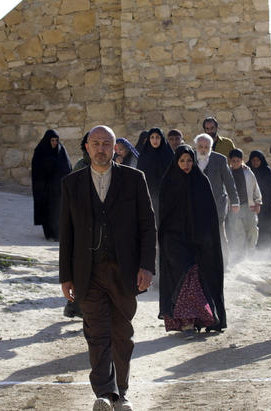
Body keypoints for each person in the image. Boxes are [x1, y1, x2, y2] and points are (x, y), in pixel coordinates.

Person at [59, 125, 156, 411]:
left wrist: (147, 266)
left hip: (124, 271)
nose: (101, 148)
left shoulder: (134, 179)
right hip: (87, 271)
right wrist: (65, 276)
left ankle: (122, 392)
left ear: (115, 148)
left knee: (121, 333)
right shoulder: (72, 183)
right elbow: (67, 233)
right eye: (96, 143)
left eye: (106, 143)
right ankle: (105, 393)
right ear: (87, 147)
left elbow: (147, 226)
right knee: (97, 332)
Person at [158, 145, 227, 334]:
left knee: (199, 277)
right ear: (176, 162)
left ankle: (201, 318)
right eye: (182, 161)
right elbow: (164, 216)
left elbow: (210, 216)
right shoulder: (169, 182)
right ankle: (186, 321)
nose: (186, 165)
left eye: (189, 160)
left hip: (200, 241)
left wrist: (206, 238)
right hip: (175, 241)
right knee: (184, 276)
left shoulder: (201, 181)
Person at [194, 133, 239, 264]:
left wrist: (234, 201)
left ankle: (224, 262)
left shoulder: (220, 159)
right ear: (196, 147)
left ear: (211, 147)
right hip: (196, 205)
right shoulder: (190, 158)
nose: (203, 149)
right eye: (200, 146)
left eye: (206, 147)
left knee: (219, 233)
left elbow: (229, 182)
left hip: (217, 204)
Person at [31, 129, 72, 241]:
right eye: (52, 140)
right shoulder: (40, 151)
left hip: (57, 189)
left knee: (57, 211)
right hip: (44, 188)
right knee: (46, 211)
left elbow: (67, 168)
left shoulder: (61, 151)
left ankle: (57, 234)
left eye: (56, 140)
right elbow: (37, 170)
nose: (54, 143)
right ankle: (49, 233)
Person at [228, 148, 262, 256]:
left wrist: (258, 203)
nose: (236, 163)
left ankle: (251, 250)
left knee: (252, 229)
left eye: (238, 161)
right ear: (230, 161)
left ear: (242, 160)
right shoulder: (227, 173)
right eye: (233, 161)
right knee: (238, 231)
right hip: (234, 207)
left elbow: (255, 188)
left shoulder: (247, 172)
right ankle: (240, 254)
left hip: (249, 205)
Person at [136, 127, 174, 220]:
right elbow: (139, 177)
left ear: (161, 139)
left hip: (167, 195)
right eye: (152, 137)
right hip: (149, 195)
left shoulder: (168, 155)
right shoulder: (144, 157)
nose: (155, 140)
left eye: (157, 137)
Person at [247, 150, 271, 252]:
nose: (255, 162)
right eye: (253, 160)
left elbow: (269, 189)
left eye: (258, 160)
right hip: (250, 204)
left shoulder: (266, 170)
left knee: (265, 225)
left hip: (265, 204)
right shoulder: (247, 171)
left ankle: (265, 248)